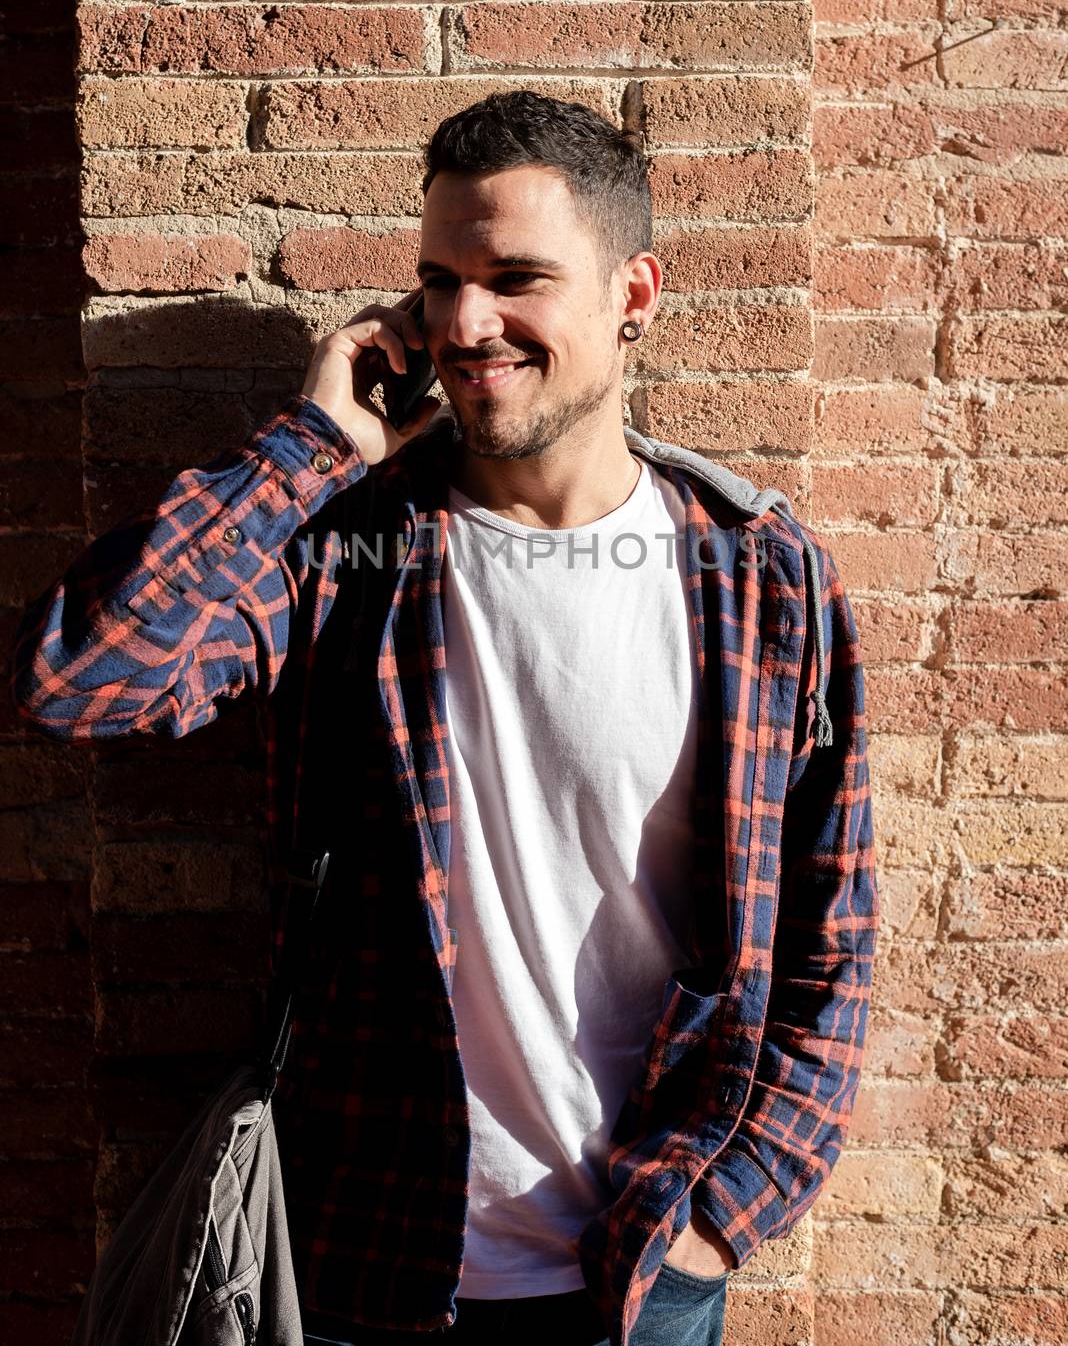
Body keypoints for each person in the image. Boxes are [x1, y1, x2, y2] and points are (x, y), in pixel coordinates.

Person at [10, 90, 878, 1346]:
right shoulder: (351, 544)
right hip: (361, 1251)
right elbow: (81, 678)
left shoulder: (761, 574)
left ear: (632, 297)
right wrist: (311, 444)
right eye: (438, 280)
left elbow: (831, 936)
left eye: (516, 278)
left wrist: (721, 1214)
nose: (465, 324)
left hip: (638, 1274)